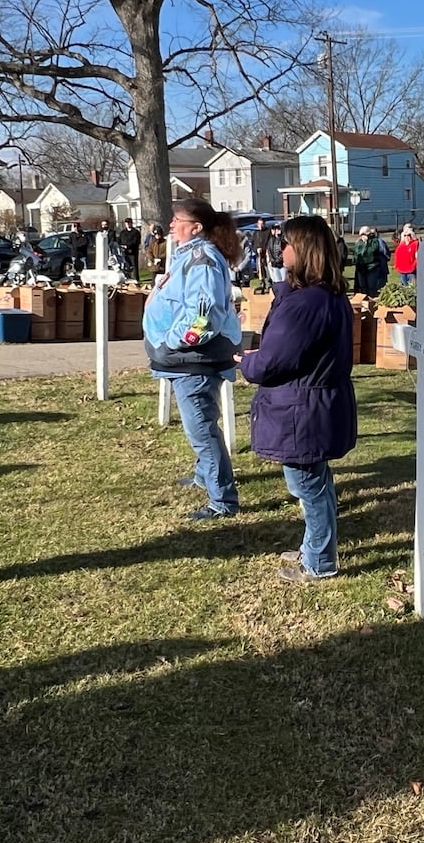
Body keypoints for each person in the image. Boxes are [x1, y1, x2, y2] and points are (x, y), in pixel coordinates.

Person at [238, 215, 357, 583]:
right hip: (310, 404)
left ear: (304, 251)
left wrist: (248, 362)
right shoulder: (320, 297)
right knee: (313, 480)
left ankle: (320, 561)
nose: (280, 249)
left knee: (307, 486)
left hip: (302, 409)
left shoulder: (307, 304)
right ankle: (314, 548)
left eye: (286, 243)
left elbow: (276, 359)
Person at [143, 199, 244, 519]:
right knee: (201, 423)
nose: (171, 225)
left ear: (196, 227)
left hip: (194, 359)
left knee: (201, 429)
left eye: (177, 220)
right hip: (185, 359)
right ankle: (205, 475)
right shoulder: (190, 255)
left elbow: (204, 316)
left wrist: (174, 342)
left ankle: (223, 500)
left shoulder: (202, 260)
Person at [352, 226, 378, 295]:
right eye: (361, 235)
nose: (362, 236)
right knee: (362, 286)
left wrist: (366, 244)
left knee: (371, 287)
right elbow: (357, 253)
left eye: (364, 234)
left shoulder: (374, 241)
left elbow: (372, 251)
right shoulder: (359, 242)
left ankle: (371, 300)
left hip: (371, 267)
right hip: (361, 267)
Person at [118, 217, 142, 282]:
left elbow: (136, 242)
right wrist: (121, 246)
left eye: (129, 223)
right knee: (126, 266)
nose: (128, 224)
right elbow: (119, 241)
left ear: (131, 223)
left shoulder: (136, 232)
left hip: (133, 252)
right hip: (124, 253)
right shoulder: (122, 232)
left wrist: (128, 246)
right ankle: (127, 280)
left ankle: (136, 280)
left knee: (134, 266)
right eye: (126, 223)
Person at [251, 218, 272, 290]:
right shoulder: (256, 233)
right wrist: (256, 249)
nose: (260, 225)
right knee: (259, 269)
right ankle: (262, 283)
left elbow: (269, 242)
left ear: (264, 224)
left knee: (267, 269)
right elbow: (253, 243)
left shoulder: (268, 231)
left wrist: (264, 249)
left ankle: (268, 283)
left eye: (261, 224)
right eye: (259, 224)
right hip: (258, 254)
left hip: (266, 254)